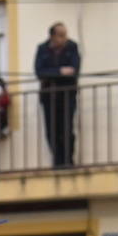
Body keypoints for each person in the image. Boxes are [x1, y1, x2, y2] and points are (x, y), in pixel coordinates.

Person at [34, 22, 80, 167]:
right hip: (49, 97)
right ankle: (58, 161)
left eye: (65, 34)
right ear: (52, 36)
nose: (65, 38)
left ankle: (68, 161)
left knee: (67, 130)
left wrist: (52, 73)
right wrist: (60, 71)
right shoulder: (42, 49)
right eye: (61, 35)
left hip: (67, 96)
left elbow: (74, 71)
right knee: (51, 132)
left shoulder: (72, 47)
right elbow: (39, 72)